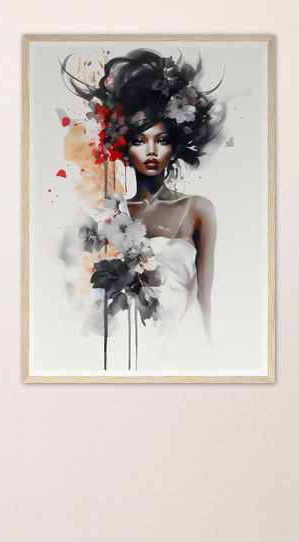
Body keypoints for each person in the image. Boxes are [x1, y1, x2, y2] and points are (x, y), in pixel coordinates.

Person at [62, 50, 223, 362]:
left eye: (160, 141)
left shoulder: (199, 210)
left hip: (180, 348)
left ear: (174, 148)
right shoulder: (111, 213)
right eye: (139, 140)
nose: (151, 151)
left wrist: (213, 355)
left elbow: (206, 298)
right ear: (124, 149)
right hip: (125, 350)